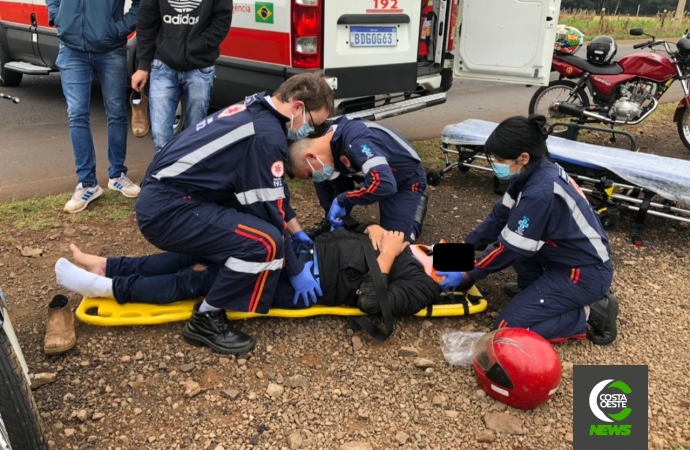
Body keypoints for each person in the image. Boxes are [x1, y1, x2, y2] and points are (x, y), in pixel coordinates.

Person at [132, 73, 334, 355]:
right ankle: (206, 318)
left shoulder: (256, 109)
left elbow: (269, 191)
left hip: (172, 198)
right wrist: (297, 268)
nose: (308, 132)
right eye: (312, 123)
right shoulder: (267, 137)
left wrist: (297, 231)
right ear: (298, 107)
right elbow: (269, 214)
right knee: (266, 243)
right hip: (169, 208)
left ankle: (113, 274)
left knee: (252, 238)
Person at [435, 115, 619, 346]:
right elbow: (499, 217)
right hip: (562, 258)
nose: (495, 163)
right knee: (519, 235)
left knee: (505, 330)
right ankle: (534, 290)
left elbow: (509, 248)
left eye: (499, 159)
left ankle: (589, 313)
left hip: (581, 274)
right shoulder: (530, 172)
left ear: (523, 157)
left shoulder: (541, 192)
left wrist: (468, 273)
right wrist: (464, 249)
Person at [54, 222, 440, 321]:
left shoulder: (424, 285)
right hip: (299, 255)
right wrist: (369, 228)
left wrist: (386, 258)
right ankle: (107, 265)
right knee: (197, 252)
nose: (440, 251)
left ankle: (110, 287)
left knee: (206, 276)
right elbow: (342, 229)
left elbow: (372, 303)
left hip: (304, 288)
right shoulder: (408, 243)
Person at [47, 0, 142, 213]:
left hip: (111, 49)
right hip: (71, 48)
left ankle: (117, 175)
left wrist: (117, 30)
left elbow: (141, 4)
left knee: (116, 112)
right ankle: (87, 184)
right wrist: (57, 16)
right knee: (77, 114)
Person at [287, 116, 429, 243]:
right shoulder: (327, 148)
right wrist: (334, 215)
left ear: (311, 156)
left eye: (309, 174)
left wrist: (343, 199)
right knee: (323, 180)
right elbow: (341, 186)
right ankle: (333, 222)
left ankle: (417, 205)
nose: (314, 177)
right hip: (376, 177)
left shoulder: (356, 140)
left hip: (405, 181)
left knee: (398, 243)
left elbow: (384, 184)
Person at [131, 0, 233, 153]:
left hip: (200, 67)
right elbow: (146, 22)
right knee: (160, 138)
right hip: (163, 66)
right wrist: (143, 66)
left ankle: (189, 176)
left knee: (196, 137)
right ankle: (165, 176)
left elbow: (221, 22)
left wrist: (194, 47)